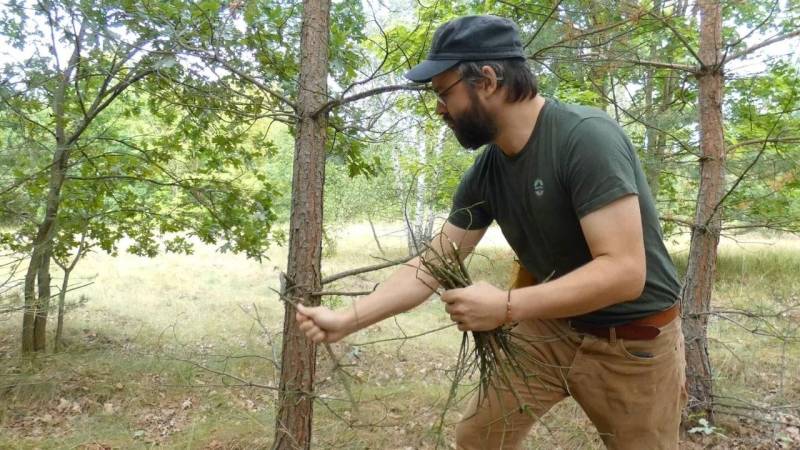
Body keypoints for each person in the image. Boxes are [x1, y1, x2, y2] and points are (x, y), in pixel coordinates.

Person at [296, 15, 687, 450]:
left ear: (486, 79)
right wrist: (348, 319)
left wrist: (506, 305)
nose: (439, 108)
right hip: (549, 328)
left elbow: (624, 272)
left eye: (444, 92)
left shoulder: (585, 138)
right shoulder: (487, 172)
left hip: (632, 342)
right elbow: (431, 263)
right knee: (480, 439)